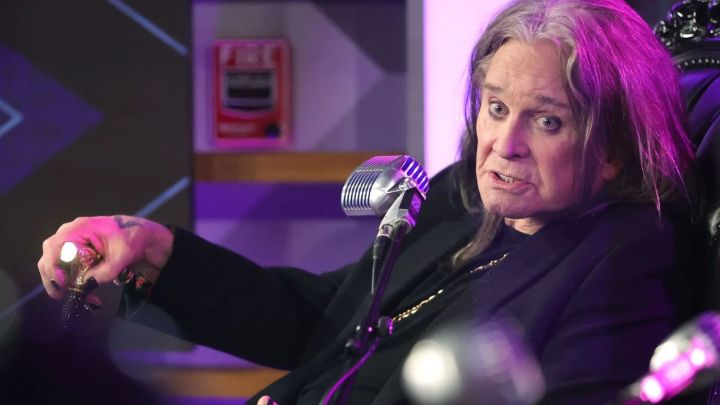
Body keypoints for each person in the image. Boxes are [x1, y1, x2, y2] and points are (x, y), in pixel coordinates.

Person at [37, 0, 699, 403]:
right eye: (496, 108)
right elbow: (327, 324)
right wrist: (154, 251)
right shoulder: (463, 197)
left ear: (613, 150)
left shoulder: (624, 260)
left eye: (546, 120)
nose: (504, 143)